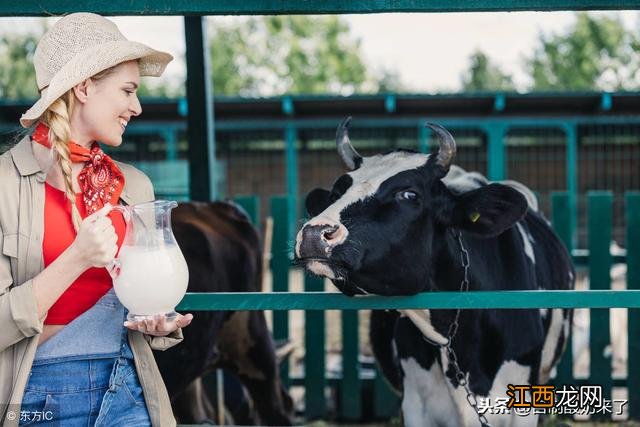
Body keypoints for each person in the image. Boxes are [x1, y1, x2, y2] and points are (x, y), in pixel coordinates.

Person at [0, 13, 193, 426]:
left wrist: (157, 320)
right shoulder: (3, 185)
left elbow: (142, 300)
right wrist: (77, 258)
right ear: (84, 87)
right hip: (36, 397)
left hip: (127, 385)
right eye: (127, 90)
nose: (136, 107)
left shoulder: (134, 186)